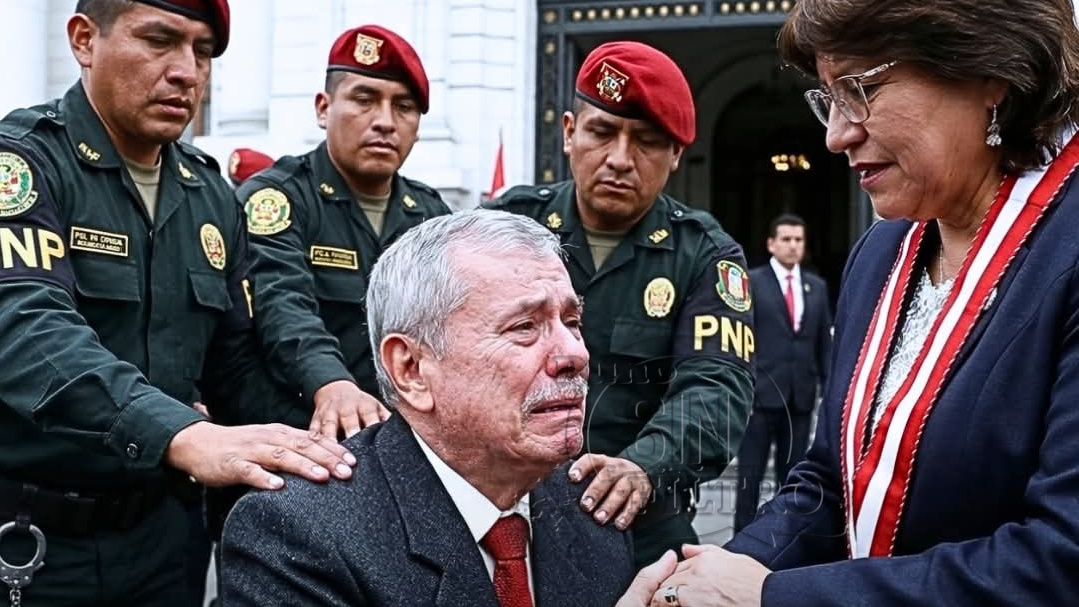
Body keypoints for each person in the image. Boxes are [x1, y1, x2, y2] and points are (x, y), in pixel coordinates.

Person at [617, 0, 1079, 605]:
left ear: (990, 74)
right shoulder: (881, 253)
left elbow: (1059, 560)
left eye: (861, 89)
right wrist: (703, 580)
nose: (836, 136)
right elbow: (828, 482)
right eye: (828, 99)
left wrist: (773, 597)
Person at [0, 2, 357, 605]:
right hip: (36, 546)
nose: (187, 71)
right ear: (84, 40)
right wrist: (182, 432)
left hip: (165, 542)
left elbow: (236, 368)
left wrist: (340, 445)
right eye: (159, 41)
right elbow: (27, 327)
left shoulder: (210, 194)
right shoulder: (24, 163)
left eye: (202, 52)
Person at [221, 210, 636, 606]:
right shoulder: (298, 535)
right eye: (524, 327)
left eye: (572, 322)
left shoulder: (593, 508)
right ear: (412, 370)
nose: (574, 354)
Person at [488, 41, 755, 566]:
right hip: (507, 508)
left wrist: (645, 467)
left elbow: (717, 387)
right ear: (569, 133)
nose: (618, 159)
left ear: (676, 155)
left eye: (647, 142)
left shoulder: (704, 254)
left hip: (639, 521)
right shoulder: (507, 227)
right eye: (602, 132)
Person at [237, 24, 452, 442]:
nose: (385, 122)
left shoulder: (430, 216)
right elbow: (282, 304)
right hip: (299, 438)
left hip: (405, 443)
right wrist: (330, 383)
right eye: (364, 100)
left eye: (404, 107)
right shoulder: (279, 199)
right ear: (323, 108)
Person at [733, 214, 831, 531]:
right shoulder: (752, 282)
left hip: (799, 399)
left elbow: (823, 346)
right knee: (749, 479)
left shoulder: (816, 287)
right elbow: (740, 340)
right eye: (786, 239)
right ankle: (740, 541)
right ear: (771, 244)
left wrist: (829, 393)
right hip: (760, 398)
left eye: (798, 240)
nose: (793, 246)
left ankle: (783, 540)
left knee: (792, 480)